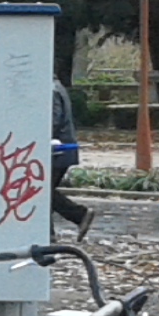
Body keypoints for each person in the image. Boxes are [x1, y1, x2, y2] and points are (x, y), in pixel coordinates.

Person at [51, 77, 93, 239]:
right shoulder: (56, 87)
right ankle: (48, 233)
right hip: (62, 150)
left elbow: (53, 121)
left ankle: (80, 214)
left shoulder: (51, 90)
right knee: (43, 192)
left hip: (57, 150)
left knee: (42, 192)